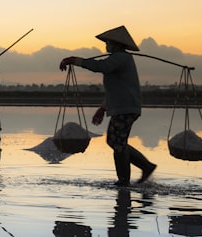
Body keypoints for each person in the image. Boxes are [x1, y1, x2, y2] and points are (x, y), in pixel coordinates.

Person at [60, 26, 156, 186]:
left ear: (116, 44)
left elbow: (100, 67)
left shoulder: (121, 58)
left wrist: (74, 60)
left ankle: (125, 179)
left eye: (109, 43)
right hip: (122, 107)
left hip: (126, 108)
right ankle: (145, 167)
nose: (106, 46)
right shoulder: (118, 59)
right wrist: (103, 108)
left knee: (117, 143)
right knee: (115, 142)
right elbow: (116, 89)